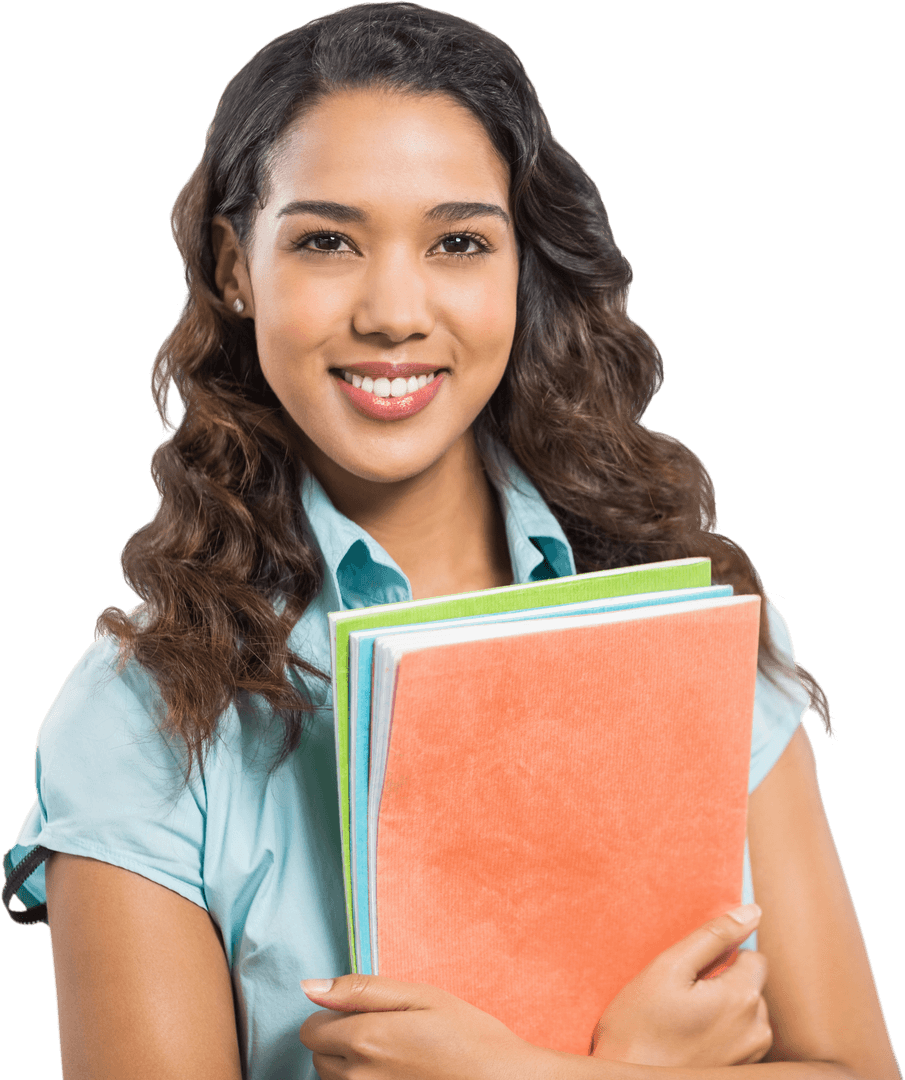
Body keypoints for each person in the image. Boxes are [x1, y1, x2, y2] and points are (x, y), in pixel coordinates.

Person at [2, 3, 898, 1078]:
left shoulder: (688, 627)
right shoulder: (143, 717)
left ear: (521, 267)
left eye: (458, 242)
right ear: (238, 268)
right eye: (327, 241)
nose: (393, 310)